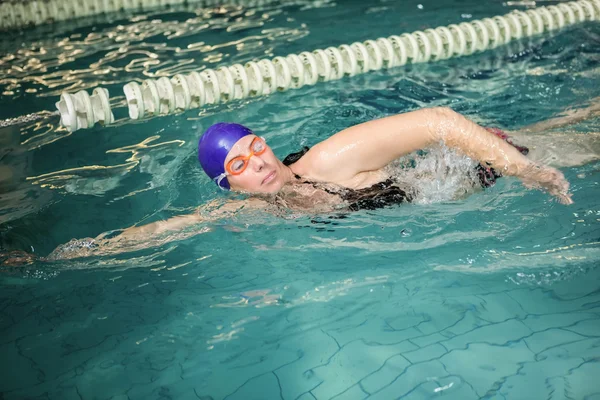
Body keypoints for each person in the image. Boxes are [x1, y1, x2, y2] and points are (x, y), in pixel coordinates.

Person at [2, 103, 600, 265]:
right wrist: (49, 257)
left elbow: (438, 122)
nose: (256, 161)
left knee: (576, 139)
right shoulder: (263, 212)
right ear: (229, 188)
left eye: (254, 146)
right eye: (237, 165)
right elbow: (162, 230)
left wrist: (526, 169)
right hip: (471, 181)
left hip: (496, 159)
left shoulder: (329, 160)